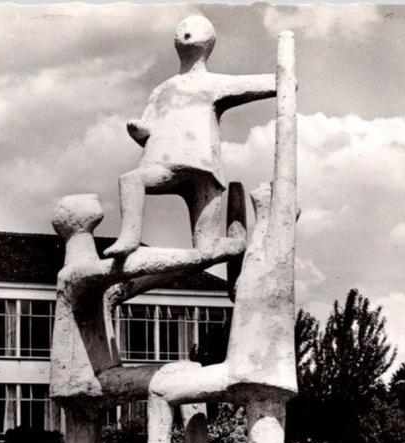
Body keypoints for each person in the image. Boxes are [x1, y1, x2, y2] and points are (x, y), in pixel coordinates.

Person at [103, 14, 276, 259]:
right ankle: (129, 237)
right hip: (163, 164)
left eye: (193, 29)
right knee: (131, 180)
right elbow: (148, 131)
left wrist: (283, 78)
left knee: (206, 250)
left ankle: (237, 243)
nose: (185, 33)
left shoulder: (214, 83)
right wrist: (138, 130)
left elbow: (258, 84)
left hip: (203, 168)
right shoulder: (161, 90)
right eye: (182, 28)